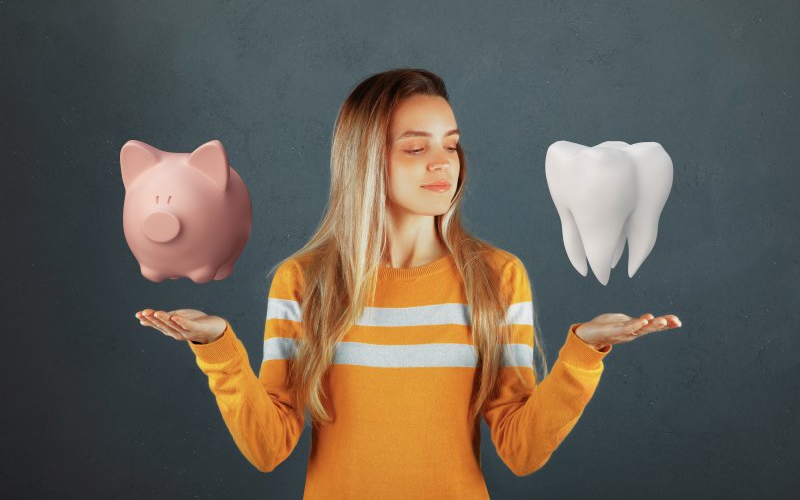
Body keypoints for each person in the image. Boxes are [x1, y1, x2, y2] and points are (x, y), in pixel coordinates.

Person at [135, 68, 681, 499]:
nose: (443, 163)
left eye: (452, 144)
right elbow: (267, 444)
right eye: (417, 148)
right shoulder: (305, 281)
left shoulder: (498, 277)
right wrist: (218, 350)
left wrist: (583, 353)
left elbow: (521, 449)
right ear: (366, 159)